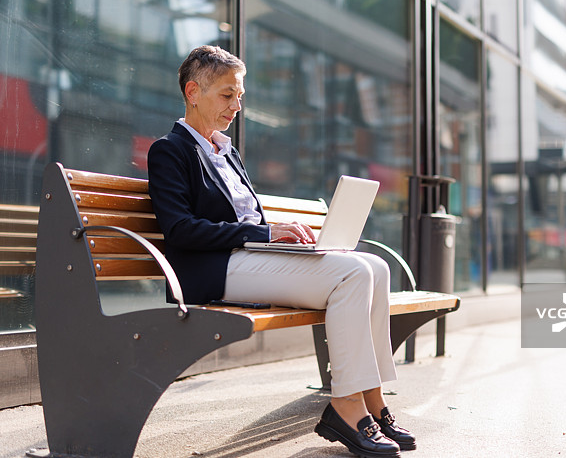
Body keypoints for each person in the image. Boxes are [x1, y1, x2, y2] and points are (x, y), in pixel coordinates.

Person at [147, 45, 415, 457]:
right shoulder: (170, 150)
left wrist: (284, 237)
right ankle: (346, 407)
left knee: (375, 267)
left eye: (240, 96)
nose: (236, 106)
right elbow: (180, 230)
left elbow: (244, 216)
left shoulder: (227, 151)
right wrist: (266, 233)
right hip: (215, 269)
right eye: (227, 95)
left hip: (253, 259)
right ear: (193, 92)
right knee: (353, 274)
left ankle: (372, 400)